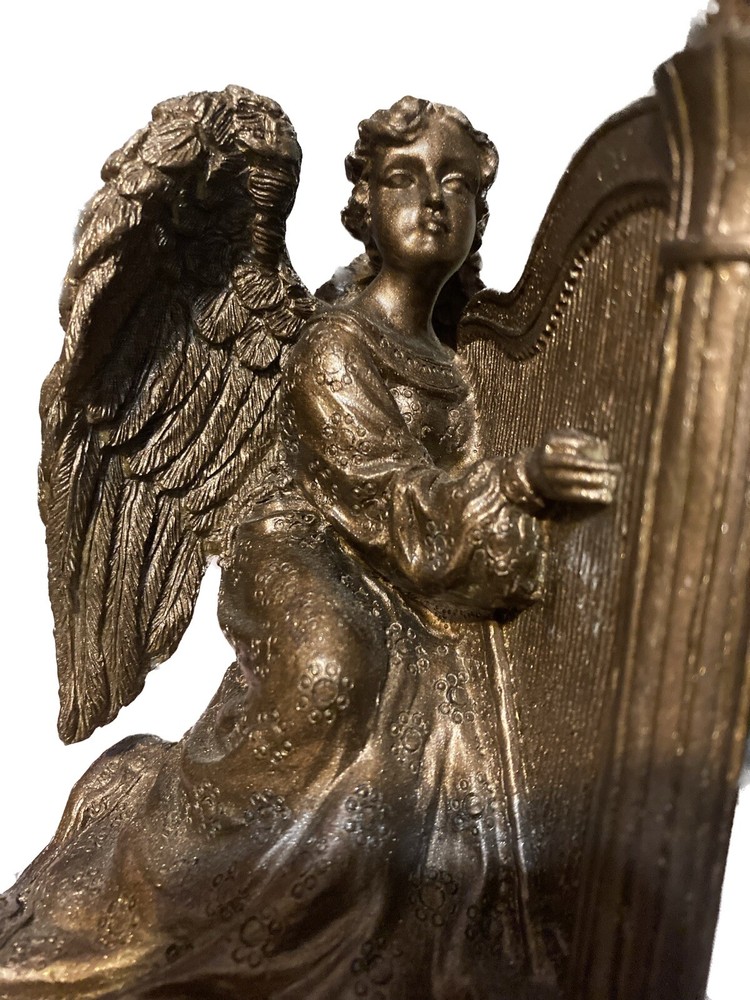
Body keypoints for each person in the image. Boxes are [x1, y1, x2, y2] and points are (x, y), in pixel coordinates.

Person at [0, 97, 614, 1000]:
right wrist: (517, 485)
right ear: (364, 206)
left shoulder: (470, 359)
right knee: (332, 668)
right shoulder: (334, 344)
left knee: (443, 725)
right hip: (301, 540)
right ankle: (174, 878)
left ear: (481, 214)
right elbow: (386, 494)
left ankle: (371, 935)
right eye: (404, 178)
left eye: (456, 184)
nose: (432, 200)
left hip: (419, 564)